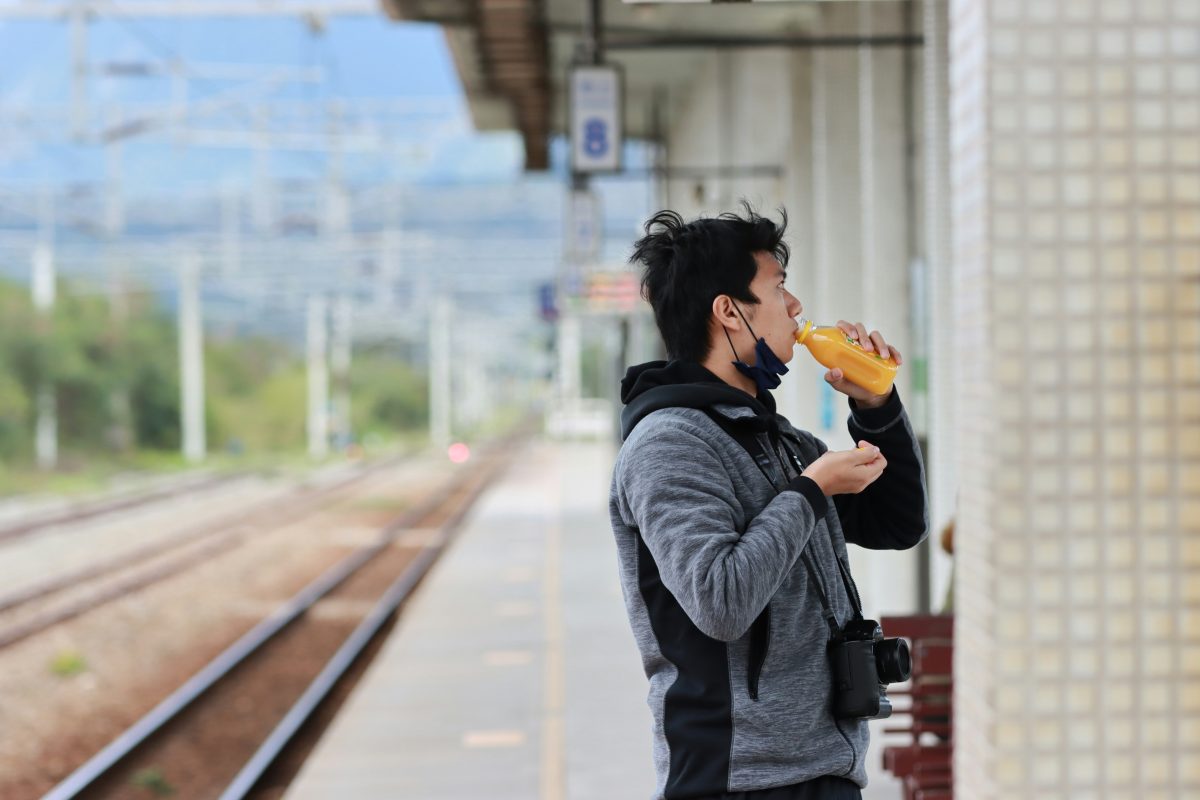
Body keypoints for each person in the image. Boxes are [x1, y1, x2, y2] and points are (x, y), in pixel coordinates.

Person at [609, 206, 928, 800]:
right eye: (778, 289)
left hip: (823, 770)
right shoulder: (669, 443)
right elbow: (720, 600)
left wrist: (878, 407)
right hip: (739, 780)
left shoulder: (778, 442)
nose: (796, 307)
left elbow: (898, 522)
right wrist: (811, 490)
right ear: (729, 312)